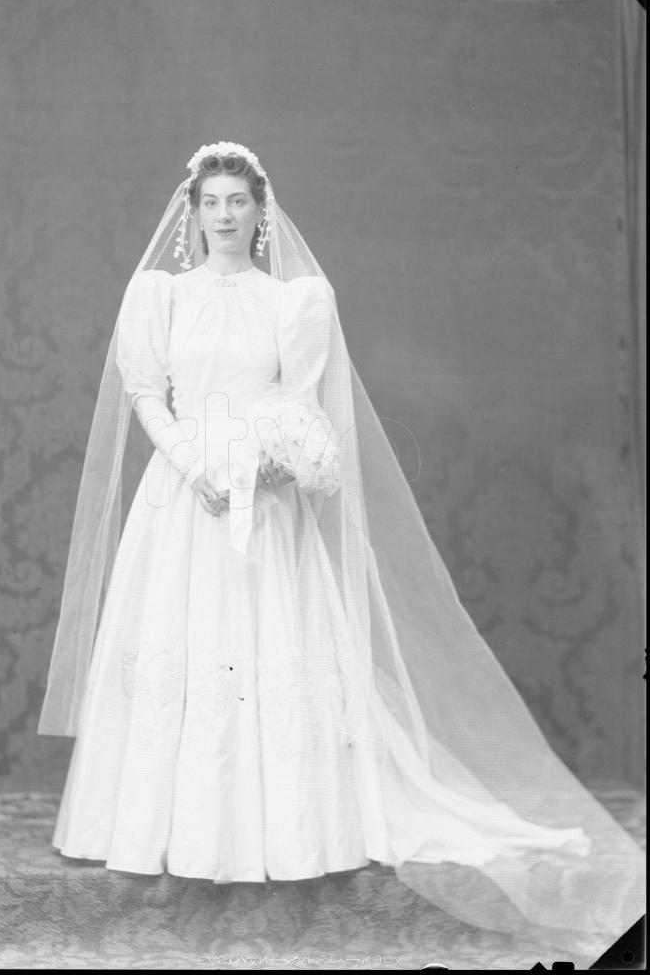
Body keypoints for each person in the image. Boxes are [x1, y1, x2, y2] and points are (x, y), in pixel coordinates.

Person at [38, 142, 644, 963]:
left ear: (261, 213)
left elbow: (299, 403)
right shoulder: (160, 296)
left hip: (270, 501)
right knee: (183, 654)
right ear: (193, 213)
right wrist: (194, 467)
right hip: (182, 498)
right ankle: (164, 832)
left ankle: (285, 836)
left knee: (271, 650)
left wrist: (271, 467)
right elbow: (147, 392)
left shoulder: (295, 302)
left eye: (237, 203)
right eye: (211, 202)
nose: (224, 216)